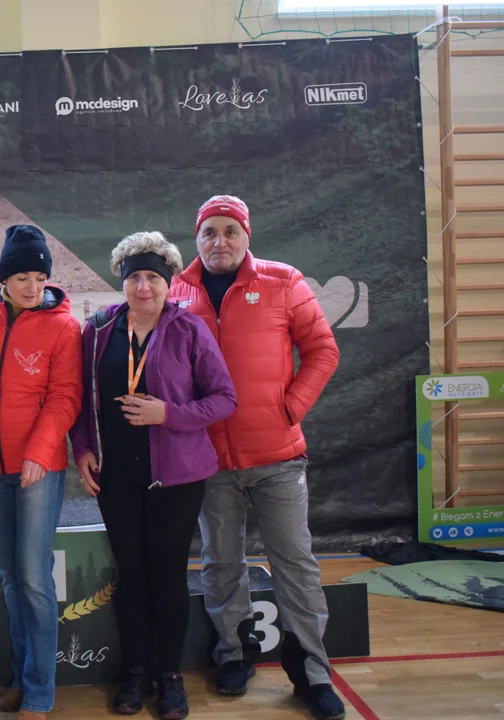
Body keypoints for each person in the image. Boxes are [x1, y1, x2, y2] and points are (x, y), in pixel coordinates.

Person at [169, 195, 344, 720]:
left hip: (277, 457)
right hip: (210, 460)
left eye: (230, 231)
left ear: (247, 235)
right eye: (209, 232)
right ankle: (233, 654)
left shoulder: (282, 281)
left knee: (295, 564)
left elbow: (323, 349)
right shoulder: (177, 290)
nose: (219, 241)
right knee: (221, 562)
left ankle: (312, 673)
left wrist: (289, 408)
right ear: (196, 239)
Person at [70, 232, 237, 719]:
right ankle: (135, 674)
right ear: (122, 281)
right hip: (116, 477)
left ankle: (170, 677)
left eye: (153, 278)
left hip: (176, 479)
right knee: (132, 575)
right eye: (134, 278)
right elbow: (80, 399)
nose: (143, 287)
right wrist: (82, 449)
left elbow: (224, 399)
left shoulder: (189, 330)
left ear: (169, 282)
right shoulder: (98, 330)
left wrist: (169, 414)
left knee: (167, 576)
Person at [0, 225, 82, 720]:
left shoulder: (64, 328)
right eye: (22, 277)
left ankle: (38, 694)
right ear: (4, 279)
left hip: (39, 469)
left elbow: (65, 397)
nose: (32, 287)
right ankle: (19, 675)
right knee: (10, 578)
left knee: (34, 579)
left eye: (39, 277)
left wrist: (39, 450)